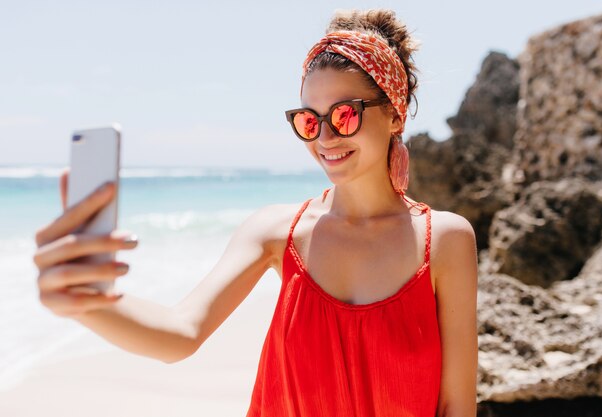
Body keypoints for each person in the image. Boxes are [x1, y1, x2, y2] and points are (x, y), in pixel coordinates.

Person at [32, 8, 478, 417]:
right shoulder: (275, 232)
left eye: (344, 115)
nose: (323, 138)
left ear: (395, 116)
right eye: (308, 120)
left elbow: (457, 406)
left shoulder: (444, 240)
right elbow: (179, 334)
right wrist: (85, 303)